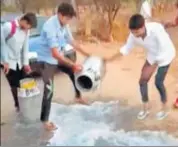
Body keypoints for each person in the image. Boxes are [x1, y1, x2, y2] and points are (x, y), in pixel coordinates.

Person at [30, 3, 90, 131]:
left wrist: (87, 54)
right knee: (49, 89)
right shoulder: (49, 27)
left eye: (70, 19)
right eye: (67, 18)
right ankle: (45, 121)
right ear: (60, 15)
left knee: (73, 72)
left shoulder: (64, 24)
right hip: (46, 60)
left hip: (58, 55)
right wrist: (73, 64)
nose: (68, 21)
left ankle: (78, 97)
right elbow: (55, 54)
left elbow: (71, 41)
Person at [109, 14, 176, 120]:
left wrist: (153, 64)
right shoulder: (133, 35)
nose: (135, 35)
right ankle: (146, 108)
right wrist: (110, 58)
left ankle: (164, 108)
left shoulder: (156, 29)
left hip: (166, 54)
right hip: (153, 55)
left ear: (143, 26)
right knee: (142, 80)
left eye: (137, 32)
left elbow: (163, 47)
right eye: (133, 32)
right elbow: (126, 48)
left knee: (158, 82)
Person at [1, 13, 37, 112]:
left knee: (24, 82)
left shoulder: (26, 31)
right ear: (24, 21)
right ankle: (18, 105)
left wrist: (26, 63)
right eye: (28, 26)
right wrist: (4, 61)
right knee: (14, 84)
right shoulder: (8, 27)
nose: (28, 29)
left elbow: (25, 47)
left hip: (19, 61)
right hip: (8, 62)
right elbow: (1, 44)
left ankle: (25, 103)